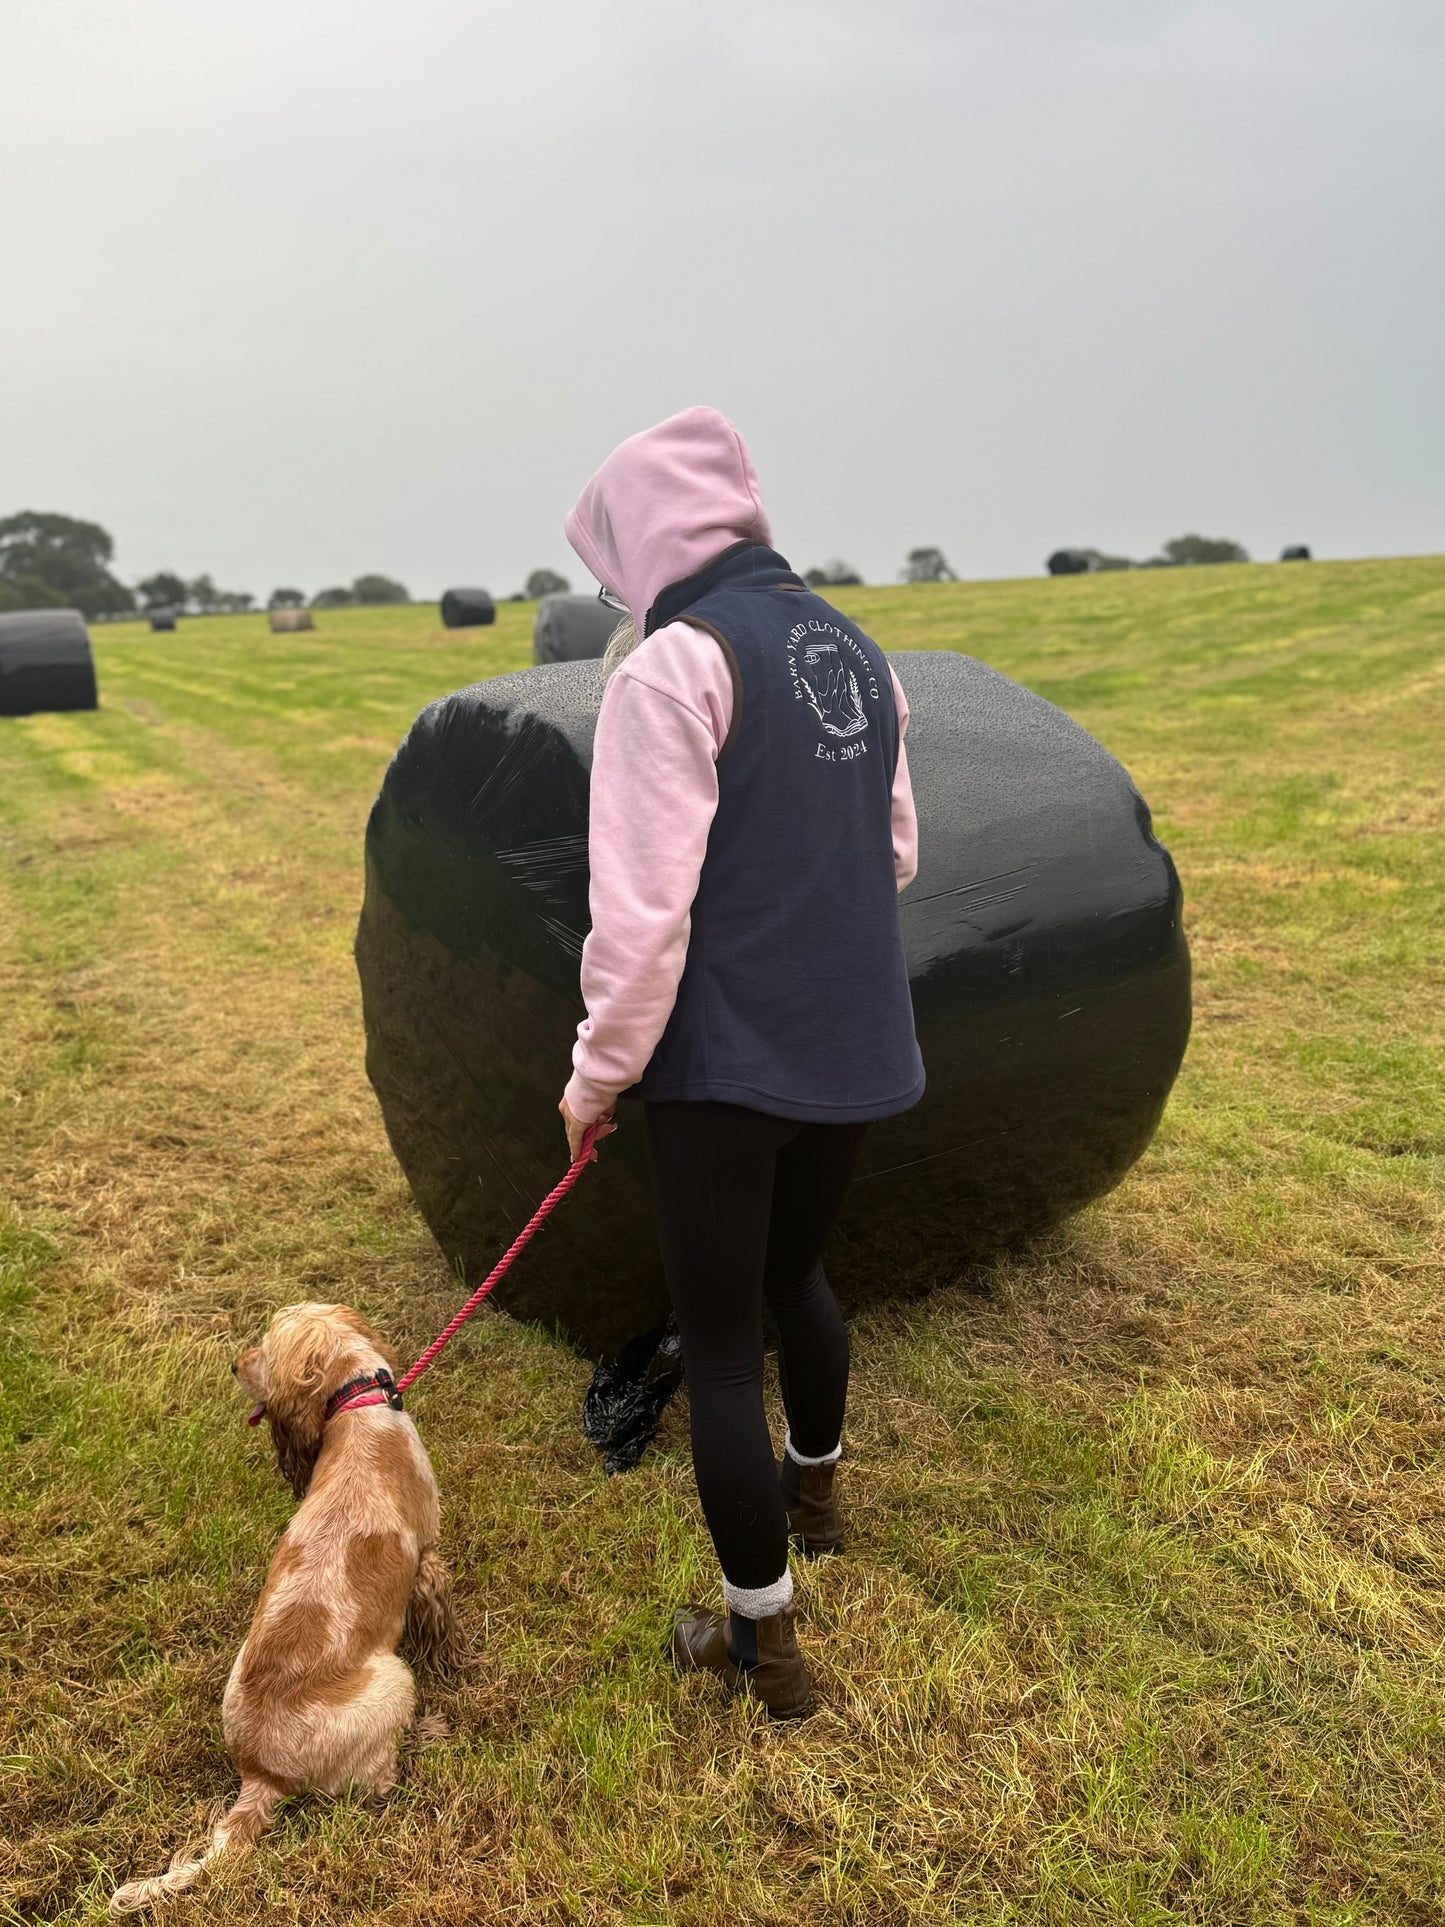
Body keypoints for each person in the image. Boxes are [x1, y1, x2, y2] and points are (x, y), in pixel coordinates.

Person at [558, 406, 923, 1718]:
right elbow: (893, 857)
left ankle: (760, 1649)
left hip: (724, 1059)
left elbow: (642, 921)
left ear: (646, 539)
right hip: (858, 1032)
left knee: (717, 1348)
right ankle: (815, 1496)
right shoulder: (857, 651)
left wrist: (594, 1078)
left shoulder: (671, 666)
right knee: (796, 1274)